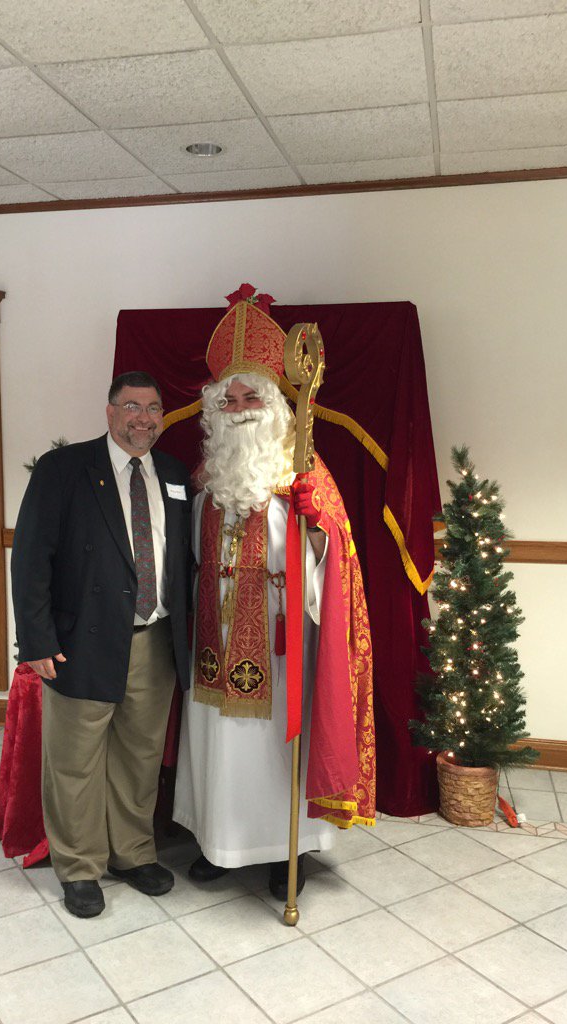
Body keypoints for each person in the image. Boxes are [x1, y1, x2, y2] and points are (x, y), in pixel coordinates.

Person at [173, 286, 376, 900]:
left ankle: (279, 847)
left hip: (283, 640)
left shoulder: (305, 474)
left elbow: (338, 567)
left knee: (270, 753)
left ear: (275, 405)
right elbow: (188, 556)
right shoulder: (205, 478)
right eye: (227, 399)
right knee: (215, 745)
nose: (238, 409)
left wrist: (320, 533)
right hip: (216, 632)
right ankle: (217, 841)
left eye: (250, 396)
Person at [11, 371, 192, 918]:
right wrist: (36, 640)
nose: (144, 418)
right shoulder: (64, 469)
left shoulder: (176, 474)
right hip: (78, 641)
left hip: (155, 640)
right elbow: (30, 558)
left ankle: (132, 854)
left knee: (139, 757)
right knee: (75, 761)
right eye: (132, 406)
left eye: (153, 407)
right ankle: (80, 866)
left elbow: (183, 561)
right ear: (110, 412)